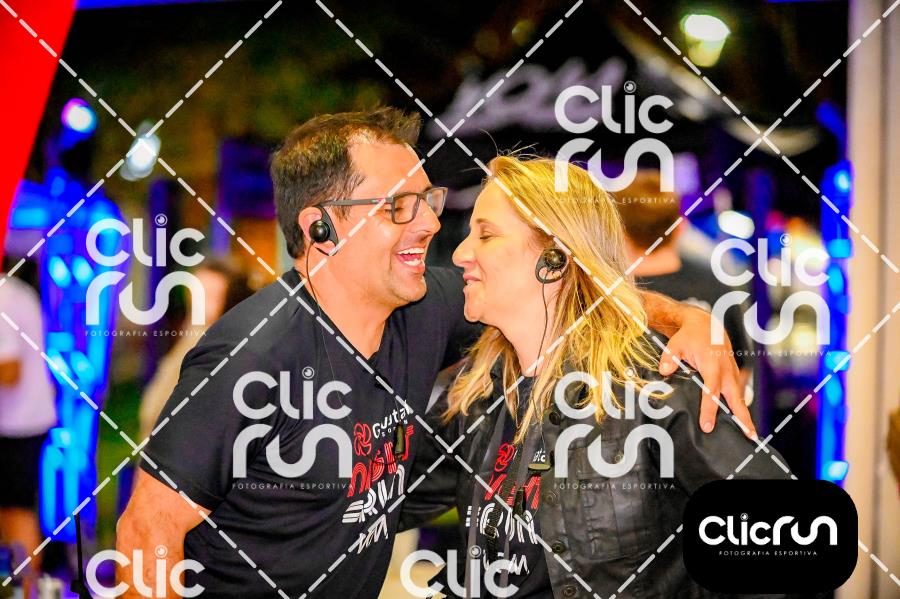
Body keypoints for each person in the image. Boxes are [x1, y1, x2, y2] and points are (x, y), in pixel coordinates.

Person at [116, 108, 755, 599]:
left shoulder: (424, 305)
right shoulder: (251, 355)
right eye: (398, 207)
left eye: (427, 201)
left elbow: (575, 288)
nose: (429, 225)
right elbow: (144, 534)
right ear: (322, 229)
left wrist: (687, 317)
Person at [400, 156, 789, 598]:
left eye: (486, 234)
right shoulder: (480, 391)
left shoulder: (650, 385)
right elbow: (381, 498)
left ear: (554, 257)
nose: (459, 254)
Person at [614, 170, 754, 393]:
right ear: (680, 226)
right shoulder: (718, 287)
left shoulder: (608, 295)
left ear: (618, 230)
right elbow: (740, 372)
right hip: (703, 414)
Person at [138, 258, 253, 440]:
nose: (198, 302)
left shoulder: (216, 350)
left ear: (231, 301)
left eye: (210, 295)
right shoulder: (192, 334)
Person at [0, 261, 57, 595]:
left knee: (17, 511)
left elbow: (9, 370)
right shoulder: (15, 292)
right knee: (11, 509)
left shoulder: (5, 299)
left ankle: (26, 590)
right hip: (22, 420)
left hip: (19, 424)